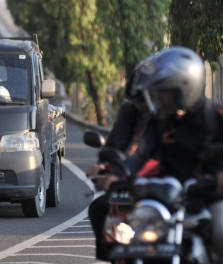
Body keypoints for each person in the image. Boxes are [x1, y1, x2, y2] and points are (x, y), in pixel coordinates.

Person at [93, 46, 223, 261]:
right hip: (169, 198)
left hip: (210, 196)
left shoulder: (215, 116)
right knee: (138, 240)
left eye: (163, 93)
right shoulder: (156, 120)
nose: (158, 99)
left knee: (220, 232)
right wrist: (117, 174)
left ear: (184, 88)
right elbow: (138, 149)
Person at [86, 60, 153, 260]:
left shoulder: (201, 116)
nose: (148, 103)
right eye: (143, 97)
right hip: (137, 183)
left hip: (185, 189)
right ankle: (117, 258)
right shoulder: (135, 114)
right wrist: (107, 168)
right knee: (100, 208)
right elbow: (126, 148)